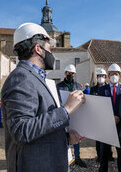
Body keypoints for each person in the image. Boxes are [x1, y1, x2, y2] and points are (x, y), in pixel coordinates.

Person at [1, 23, 85, 172]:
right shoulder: (21, 78)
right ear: (38, 49)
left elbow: (39, 126)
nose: (51, 53)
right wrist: (66, 110)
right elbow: (21, 130)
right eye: (49, 48)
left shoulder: (34, 78)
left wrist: (65, 138)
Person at [98, 63, 121, 172]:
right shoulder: (102, 90)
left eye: (116, 74)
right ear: (108, 75)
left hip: (120, 126)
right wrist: (110, 118)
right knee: (104, 152)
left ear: (120, 75)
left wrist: (119, 117)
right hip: (107, 126)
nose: (114, 75)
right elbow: (100, 108)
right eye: (111, 74)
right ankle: (102, 169)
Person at [56, 64, 87, 168]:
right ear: (65, 73)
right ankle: (65, 158)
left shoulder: (78, 86)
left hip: (76, 114)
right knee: (64, 137)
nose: (71, 75)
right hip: (64, 114)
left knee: (76, 136)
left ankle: (77, 158)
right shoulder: (59, 86)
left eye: (72, 73)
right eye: (69, 73)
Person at [90, 68, 114, 163]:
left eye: (103, 76)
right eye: (99, 76)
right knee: (98, 139)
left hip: (108, 117)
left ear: (106, 77)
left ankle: (109, 155)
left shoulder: (109, 88)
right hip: (97, 118)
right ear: (97, 77)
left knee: (108, 138)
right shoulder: (93, 89)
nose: (101, 78)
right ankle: (99, 156)